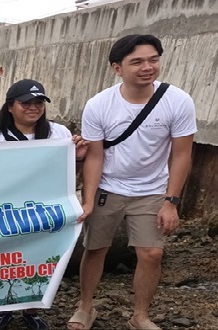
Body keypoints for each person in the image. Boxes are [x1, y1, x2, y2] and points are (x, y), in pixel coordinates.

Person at [68, 34, 196, 330]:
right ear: (117, 68)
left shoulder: (177, 101)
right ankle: (86, 306)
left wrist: (171, 201)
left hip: (152, 190)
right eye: (136, 61)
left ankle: (140, 315)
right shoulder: (99, 104)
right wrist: (88, 199)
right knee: (95, 248)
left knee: (152, 253)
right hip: (109, 188)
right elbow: (95, 157)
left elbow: (181, 155)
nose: (147, 67)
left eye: (153, 59)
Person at [0, 79, 88, 330]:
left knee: (42, 259)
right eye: (26, 103)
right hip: (9, 211)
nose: (33, 107)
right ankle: (4, 307)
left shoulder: (59, 134)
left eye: (39, 102)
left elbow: (69, 173)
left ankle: (31, 308)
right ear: (10, 106)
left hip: (46, 209)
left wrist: (78, 158)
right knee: (6, 259)